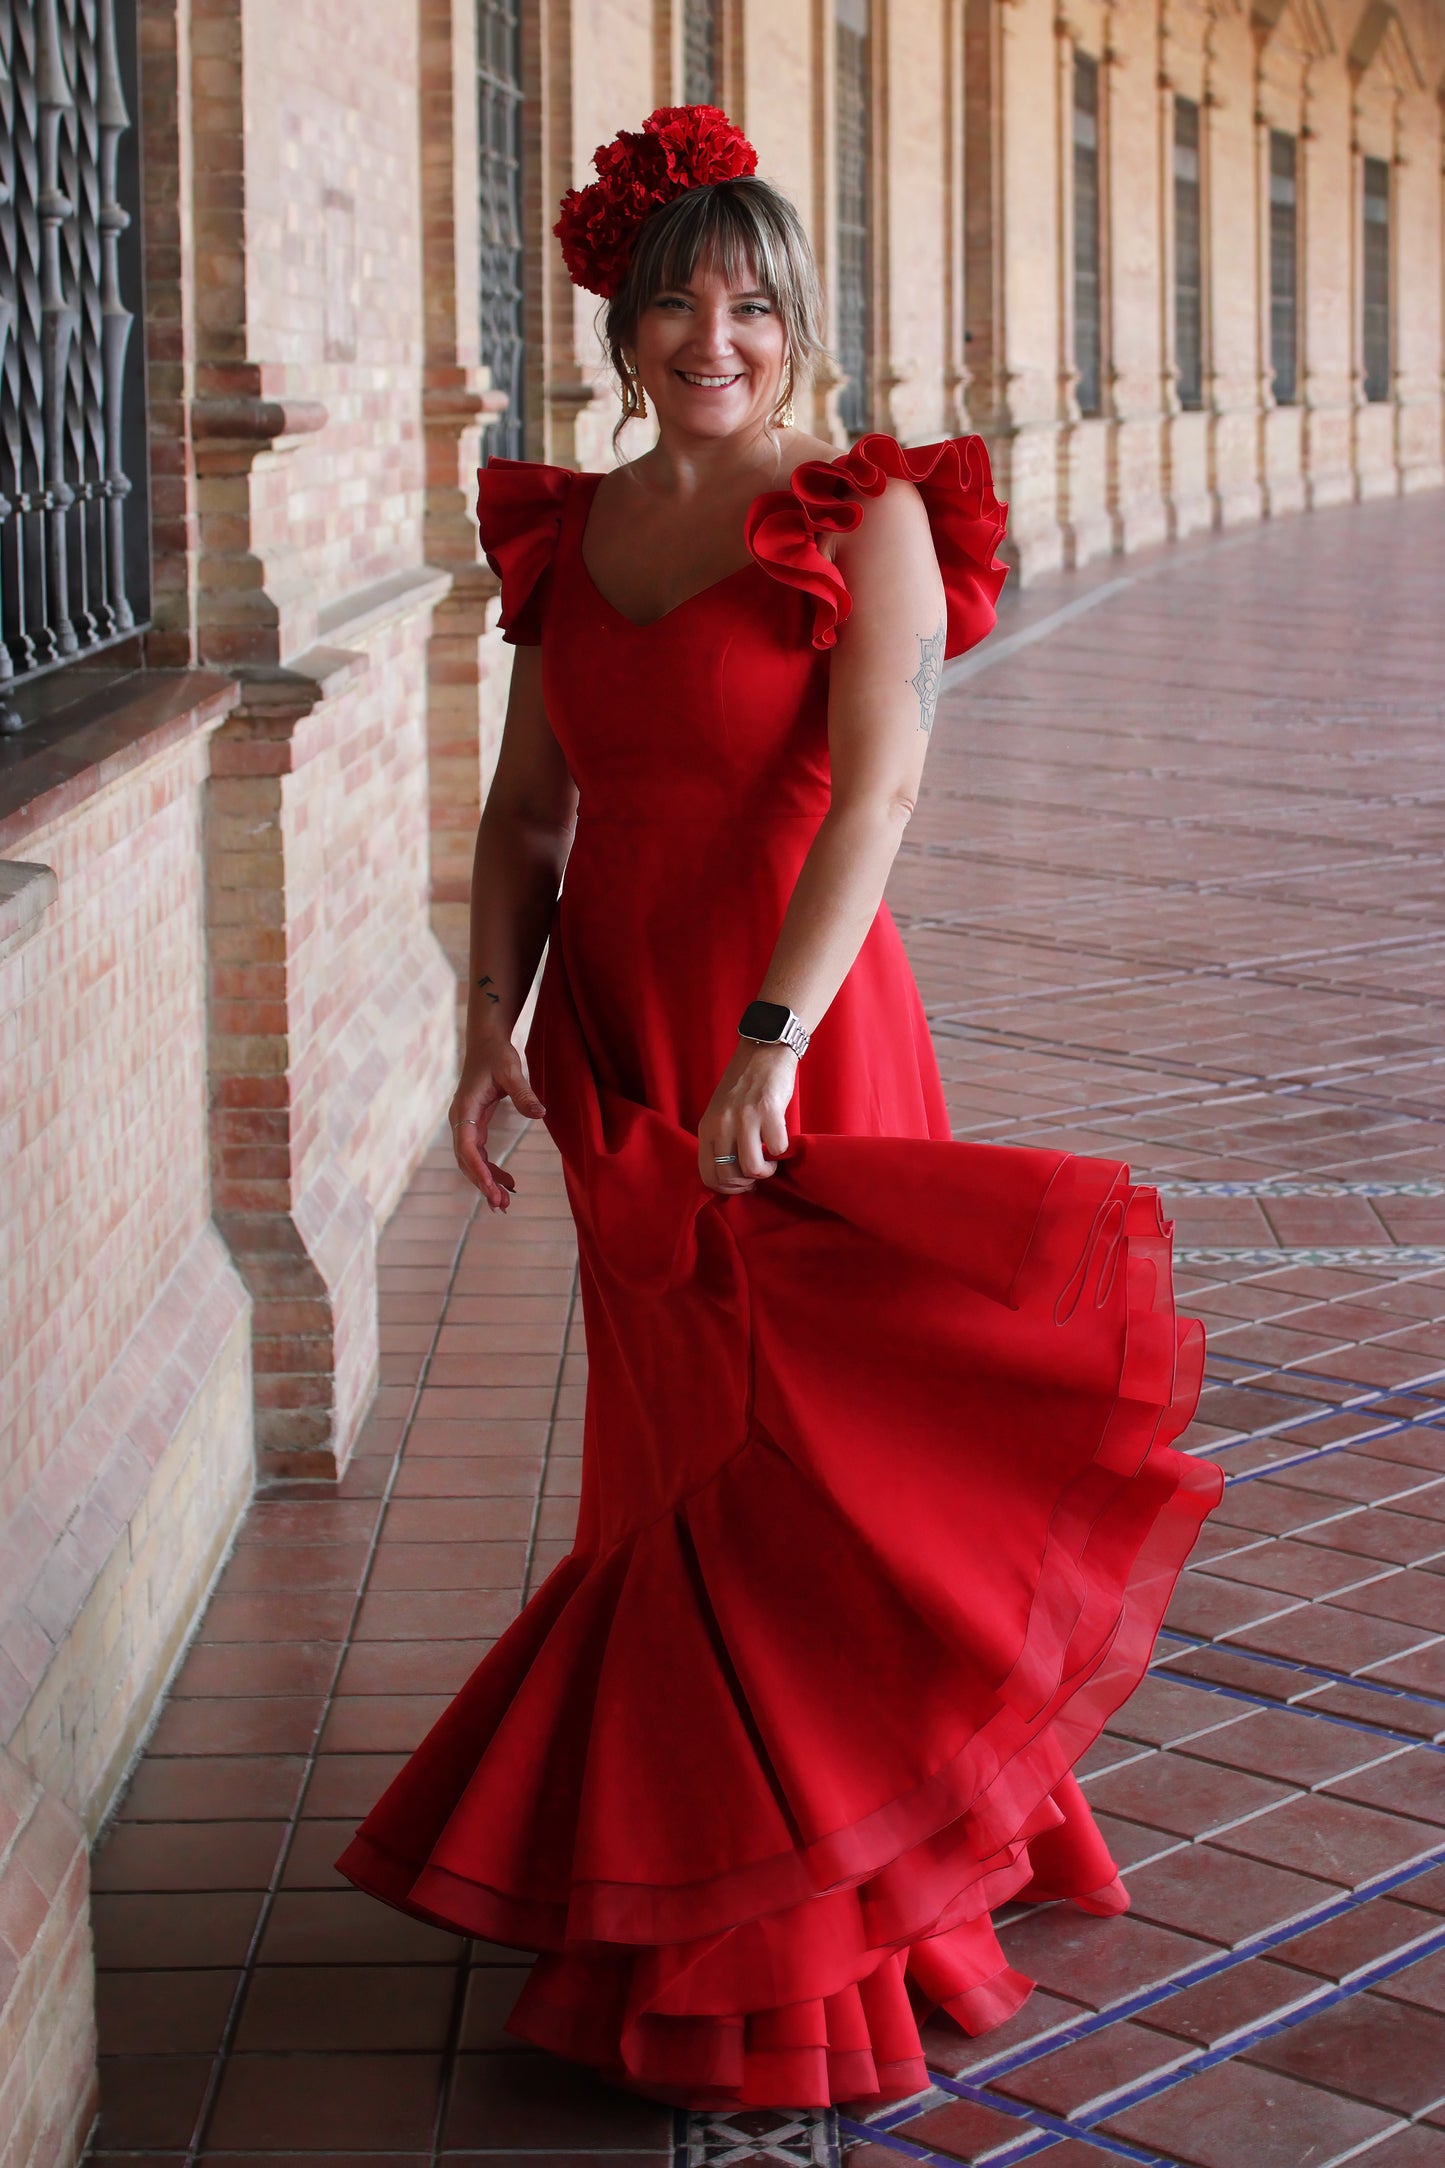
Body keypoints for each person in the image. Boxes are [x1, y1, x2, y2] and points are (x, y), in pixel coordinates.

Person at [338, 103, 1223, 2113]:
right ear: (620, 325)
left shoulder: (860, 513)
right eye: (675, 303)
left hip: (796, 1028)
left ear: (795, 319)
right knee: (674, 1466)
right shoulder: (569, 535)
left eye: (749, 300)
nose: (711, 336)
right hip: (622, 1048)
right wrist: (491, 1027)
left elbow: (883, 788)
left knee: (816, 1453)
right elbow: (523, 816)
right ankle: (692, 1869)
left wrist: (768, 1037)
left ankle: (836, 1912)